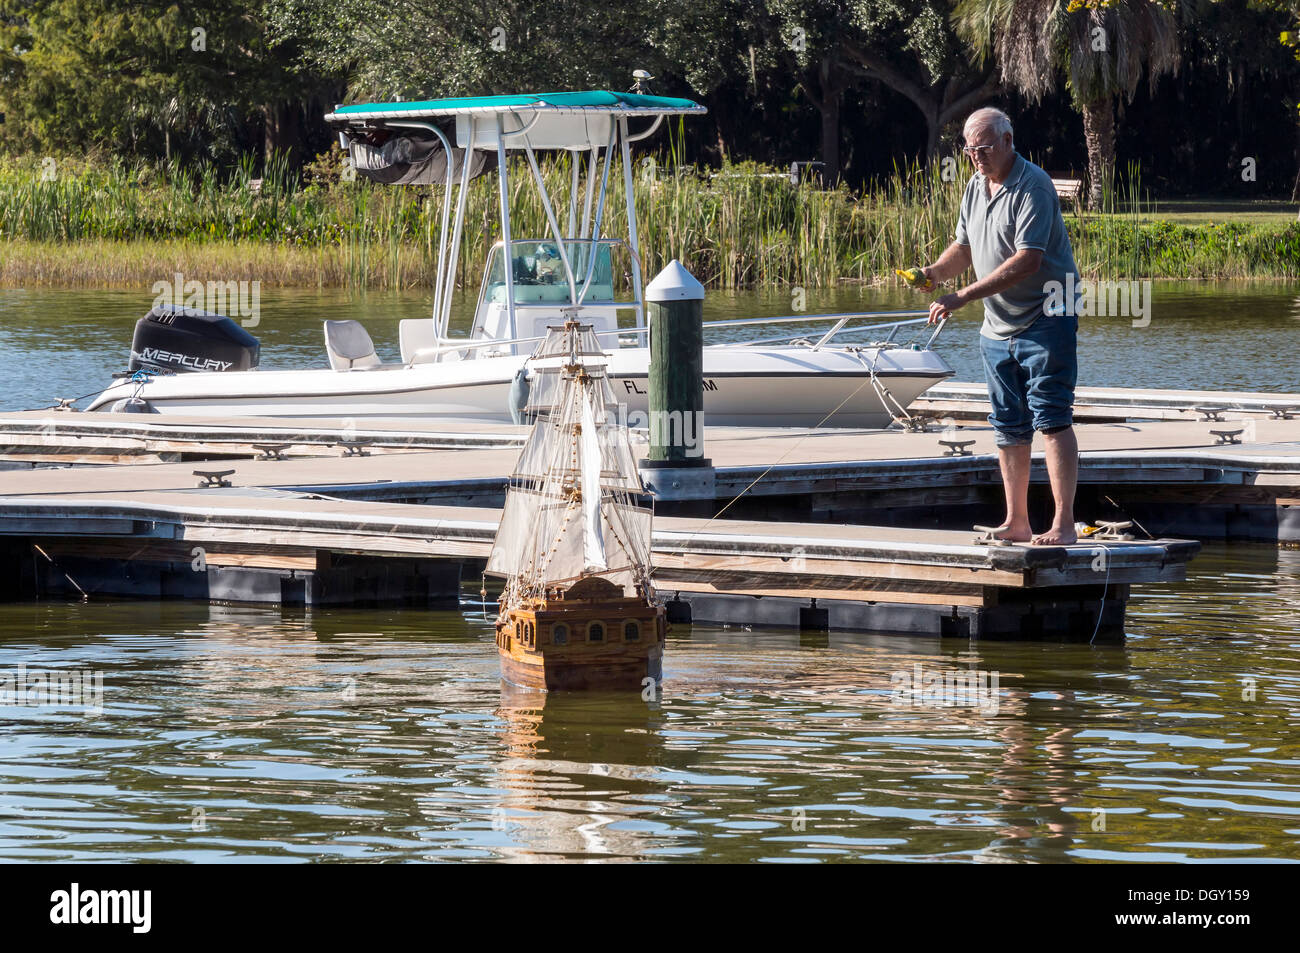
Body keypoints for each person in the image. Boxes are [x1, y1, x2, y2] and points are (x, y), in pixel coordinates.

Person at [917, 107, 1081, 545]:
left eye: (983, 148)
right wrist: (934, 273)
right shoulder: (975, 185)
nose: (975, 158)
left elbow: (1029, 260)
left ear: (1008, 141)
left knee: (1051, 417)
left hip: (1048, 314)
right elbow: (964, 247)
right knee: (1007, 423)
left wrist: (963, 296)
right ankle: (1017, 521)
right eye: (969, 150)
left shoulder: (1035, 186)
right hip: (998, 323)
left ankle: (1063, 526)